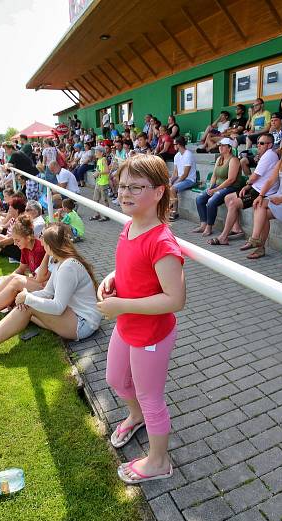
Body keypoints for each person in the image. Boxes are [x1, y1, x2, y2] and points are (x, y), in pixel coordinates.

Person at [99, 155, 186, 484]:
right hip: (127, 324)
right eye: (122, 186)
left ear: (160, 192)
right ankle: (134, 416)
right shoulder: (130, 225)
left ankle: (159, 460)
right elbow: (132, 269)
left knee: (151, 396)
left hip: (150, 332)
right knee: (115, 379)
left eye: (136, 187)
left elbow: (175, 299)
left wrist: (121, 305)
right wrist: (113, 279)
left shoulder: (162, 242)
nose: (125, 193)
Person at [0, 224, 102, 360]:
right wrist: (26, 297)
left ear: (50, 246)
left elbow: (58, 307)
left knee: (29, 305)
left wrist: (28, 298)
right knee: (27, 304)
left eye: (44, 243)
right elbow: (47, 292)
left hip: (84, 324)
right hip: (76, 316)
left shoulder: (68, 267)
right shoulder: (60, 262)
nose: (42, 245)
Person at [211, 134, 278, 246]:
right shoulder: (266, 155)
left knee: (233, 203)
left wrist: (248, 183)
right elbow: (258, 177)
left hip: (262, 192)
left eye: (262, 143)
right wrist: (248, 186)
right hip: (256, 188)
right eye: (258, 143)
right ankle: (237, 229)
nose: (258, 146)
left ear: (270, 145)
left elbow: (255, 176)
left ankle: (223, 237)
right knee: (228, 197)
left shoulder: (269, 155)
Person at [194, 138, 242, 237]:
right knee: (200, 199)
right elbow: (214, 176)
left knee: (211, 202)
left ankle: (209, 227)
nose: (220, 147)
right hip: (218, 186)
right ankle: (203, 224)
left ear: (229, 148)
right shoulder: (219, 159)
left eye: (223, 145)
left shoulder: (234, 160)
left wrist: (216, 190)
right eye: (219, 145)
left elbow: (231, 180)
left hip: (231, 187)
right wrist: (210, 187)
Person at [168, 136, 197, 221]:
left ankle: (174, 212)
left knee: (173, 188)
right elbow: (175, 173)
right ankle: (167, 209)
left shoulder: (188, 154)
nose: (173, 146)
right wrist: (170, 180)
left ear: (179, 145)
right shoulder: (177, 155)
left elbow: (185, 174)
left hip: (189, 180)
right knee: (167, 185)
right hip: (181, 178)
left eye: (174, 144)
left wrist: (174, 183)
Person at [91, 147, 112, 221]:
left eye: (97, 152)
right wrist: (96, 173)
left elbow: (107, 171)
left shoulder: (103, 159)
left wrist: (98, 173)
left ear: (102, 153)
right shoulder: (99, 160)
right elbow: (99, 170)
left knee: (104, 200)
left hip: (103, 183)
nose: (95, 153)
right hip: (98, 182)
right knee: (95, 199)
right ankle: (97, 214)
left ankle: (106, 215)